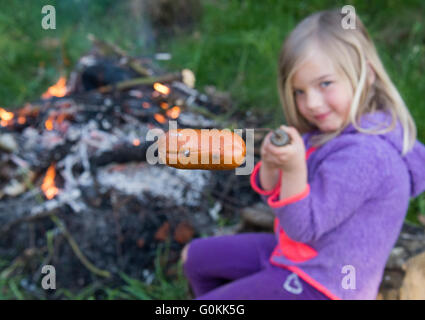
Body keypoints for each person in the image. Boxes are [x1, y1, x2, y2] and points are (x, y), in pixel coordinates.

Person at [181, 8, 425, 300]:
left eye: (325, 84)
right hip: (299, 257)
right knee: (194, 257)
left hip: (324, 285)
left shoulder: (366, 155)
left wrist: (295, 170)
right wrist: (272, 168)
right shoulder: (335, 133)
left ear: (367, 75)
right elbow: (283, 208)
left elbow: (302, 227)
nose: (311, 103)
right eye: (299, 91)